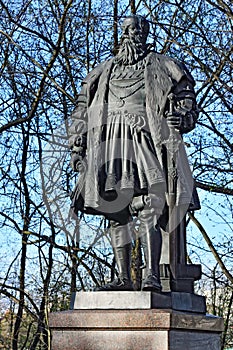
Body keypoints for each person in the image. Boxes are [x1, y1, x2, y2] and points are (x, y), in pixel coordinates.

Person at [69, 15, 198, 292]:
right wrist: (77, 146)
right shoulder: (102, 72)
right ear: (122, 33)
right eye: (128, 29)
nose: (133, 33)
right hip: (109, 143)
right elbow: (81, 108)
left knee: (150, 203)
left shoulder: (164, 65)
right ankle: (123, 278)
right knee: (115, 210)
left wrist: (181, 116)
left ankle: (152, 275)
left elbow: (187, 98)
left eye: (139, 30)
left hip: (146, 140)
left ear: (145, 34)